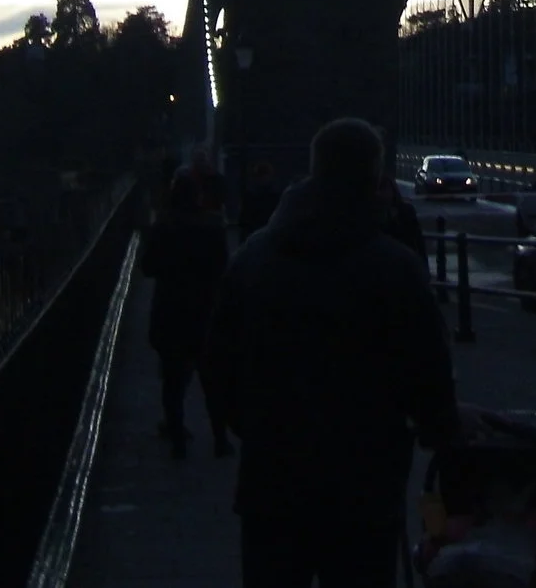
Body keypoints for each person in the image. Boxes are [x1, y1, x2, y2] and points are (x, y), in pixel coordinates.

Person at [204, 118, 458, 588]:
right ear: (374, 176)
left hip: (271, 483)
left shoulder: (253, 259)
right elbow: (429, 372)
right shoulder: (394, 267)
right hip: (365, 486)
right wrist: (437, 430)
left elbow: (217, 360)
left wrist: (252, 425)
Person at [141, 169, 230, 458]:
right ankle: (220, 438)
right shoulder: (213, 225)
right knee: (212, 380)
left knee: (173, 381)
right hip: (205, 309)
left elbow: (148, 267)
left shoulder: (163, 226)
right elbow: (223, 267)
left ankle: (178, 438)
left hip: (170, 309)